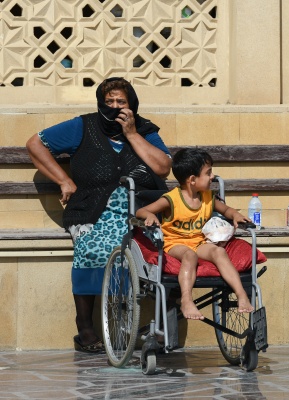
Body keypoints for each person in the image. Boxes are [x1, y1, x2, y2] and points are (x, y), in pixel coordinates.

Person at [26, 77, 172, 353]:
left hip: (138, 210)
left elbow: (163, 167)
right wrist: (63, 180)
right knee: (95, 248)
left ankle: (134, 322)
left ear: (132, 105)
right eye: (109, 102)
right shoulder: (84, 126)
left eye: (121, 102)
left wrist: (131, 134)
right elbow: (35, 144)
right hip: (92, 209)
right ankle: (85, 328)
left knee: (155, 247)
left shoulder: (144, 129)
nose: (115, 107)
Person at [136, 149, 254, 320]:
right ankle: (186, 299)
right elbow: (142, 210)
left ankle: (241, 294)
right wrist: (150, 215)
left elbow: (226, 209)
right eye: (208, 173)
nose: (213, 176)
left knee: (218, 251)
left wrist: (235, 214)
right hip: (174, 244)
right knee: (189, 255)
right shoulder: (171, 199)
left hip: (199, 243)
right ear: (192, 180)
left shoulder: (207, 197)